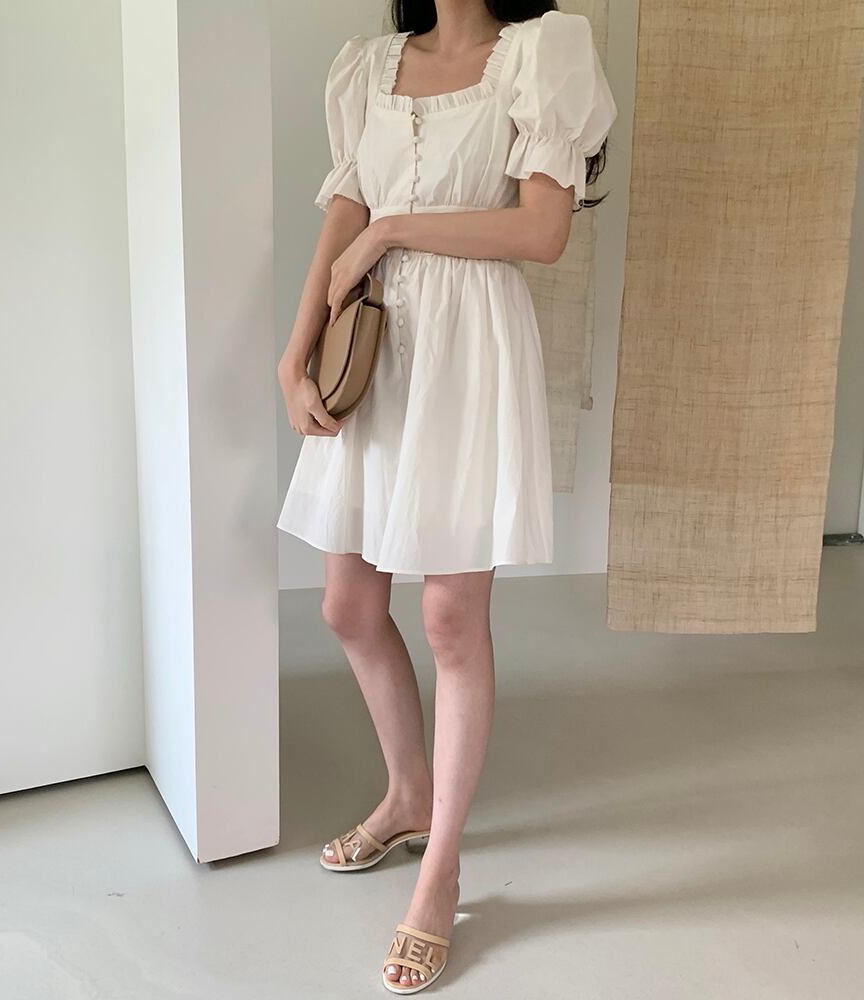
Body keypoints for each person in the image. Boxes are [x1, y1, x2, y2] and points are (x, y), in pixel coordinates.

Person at [276, 1, 617, 992]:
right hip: (376, 340)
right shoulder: (370, 64)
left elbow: (542, 230)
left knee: (451, 619)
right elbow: (343, 213)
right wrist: (295, 353)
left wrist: (393, 227)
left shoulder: (542, 50)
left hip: (469, 347)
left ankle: (442, 867)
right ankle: (408, 795)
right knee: (348, 604)